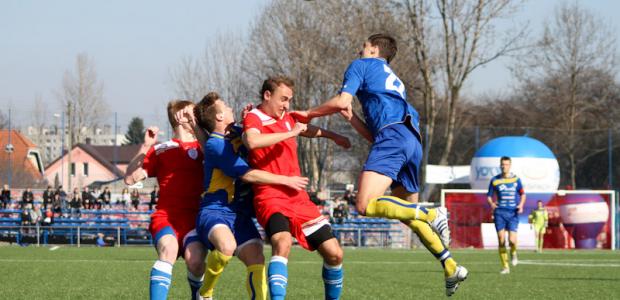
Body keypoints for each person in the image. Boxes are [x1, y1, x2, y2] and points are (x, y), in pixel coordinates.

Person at [291, 33, 467, 295]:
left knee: (364, 204)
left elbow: (342, 100)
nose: (358, 48)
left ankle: (433, 213)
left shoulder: (361, 65)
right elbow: (374, 135)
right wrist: (352, 120)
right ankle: (450, 265)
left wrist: (308, 113)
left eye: (363, 45)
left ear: (373, 49)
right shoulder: (394, 81)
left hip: (394, 137)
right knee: (407, 214)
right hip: (411, 140)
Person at [189, 92, 312, 300]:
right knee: (227, 246)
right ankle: (205, 293)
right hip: (214, 211)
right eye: (225, 106)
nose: (230, 108)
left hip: (239, 215)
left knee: (257, 257)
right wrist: (285, 180)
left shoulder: (235, 132)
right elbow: (248, 175)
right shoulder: (216, 144)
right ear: (219, 117)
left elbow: (258, 134)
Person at [242, 76, 350, 300]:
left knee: (335, 254)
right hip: (270, 196)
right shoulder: (254, 117)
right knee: (282, 243)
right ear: (267, 95)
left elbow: (306, 129)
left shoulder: (287, 117)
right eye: (283, 99)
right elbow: (252, 141)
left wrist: (333, 136)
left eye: (289, 100)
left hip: (298, 198)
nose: (287, 105)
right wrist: (292, 133)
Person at [124, 100, 206, 300]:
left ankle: (197, 295)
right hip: (166, 217)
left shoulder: (203, 145)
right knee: (168, 249)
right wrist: (146, 146)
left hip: (195, 219)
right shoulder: (161, 149)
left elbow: (216, 154)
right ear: (180, 117)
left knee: (195, 260)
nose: (197, 116)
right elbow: (129, 178)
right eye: (192, 113)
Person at [487, 156, 526, 274]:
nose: (504, 166)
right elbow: (489, 196)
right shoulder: (495, 180)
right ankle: (505, 267)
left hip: (513, 212)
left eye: (507, 164)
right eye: (503, 164)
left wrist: (521, 205)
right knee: (501, 239)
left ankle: (513, 253)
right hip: (499, 212)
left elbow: (523, 194)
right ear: (500, 165)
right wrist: (492, 204)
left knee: (512, 240)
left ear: (510, 165)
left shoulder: (516, 180)